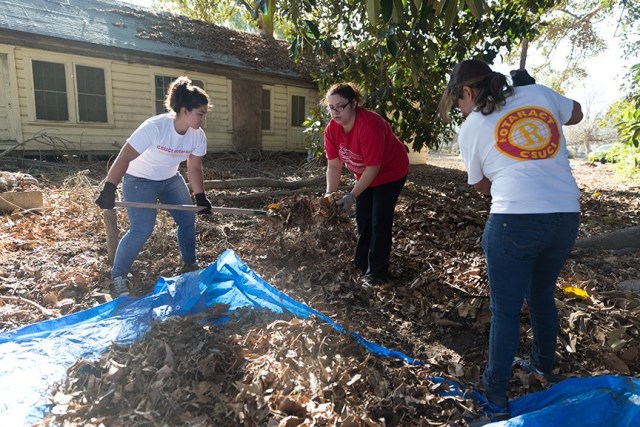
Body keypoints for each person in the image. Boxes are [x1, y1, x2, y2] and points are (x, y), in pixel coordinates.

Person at [438, 59, 583, 413]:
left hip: (514, 221)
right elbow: (576, 114)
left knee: (504, 311)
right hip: (565, 215)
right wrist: (536, 91)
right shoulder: (537, 93)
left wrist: (507, 181)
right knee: (541, 294)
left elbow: (480, 185)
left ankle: (496, 396)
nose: (461, 109)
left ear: (468, 92)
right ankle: (542, 365)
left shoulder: (472, 126)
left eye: (459, 101)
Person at [95, 76, 213, 298]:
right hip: (139, 180)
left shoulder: (198, 136)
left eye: (205, 113)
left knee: (187, 220)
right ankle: (118, 277)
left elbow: (194, 167)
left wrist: (200, 197)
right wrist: (109, 187)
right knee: (142, 228)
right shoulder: (155, 127)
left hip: (170, 179)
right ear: (185, 111)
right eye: (200, 113)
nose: (203, 119)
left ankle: (190, 265)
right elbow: (125, 156)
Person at [322, 82, 410, 288]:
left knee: (379, 219)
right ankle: (361, 263)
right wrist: (329, 195)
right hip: (364, 174)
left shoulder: (370, 125)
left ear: (353, 104)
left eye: (340, 106)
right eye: (330, 107)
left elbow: (373, 168)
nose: (334, 112)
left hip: (390, 172)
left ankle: (376, 273)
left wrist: (352, 196)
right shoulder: (331, 130)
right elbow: (334, 166)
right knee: (363, 219)